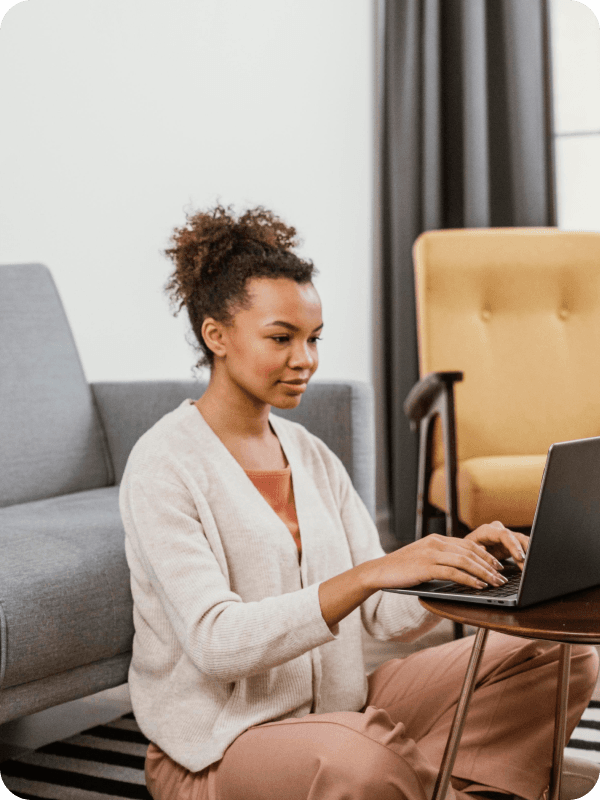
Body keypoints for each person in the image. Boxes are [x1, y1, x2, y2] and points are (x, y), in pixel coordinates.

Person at [119, 205, 598, 800]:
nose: (306, 361)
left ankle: (431, 784)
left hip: (345, 712)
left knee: (559, 657)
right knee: (359, 763)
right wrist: (372, 573)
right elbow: (217, 643)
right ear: (215, 335)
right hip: (221, 751)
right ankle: (438, 781)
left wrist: (454, 566)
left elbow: (382, 617)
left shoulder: (310, 453)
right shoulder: (164, 464)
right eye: (281, 339)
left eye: (314, 339)